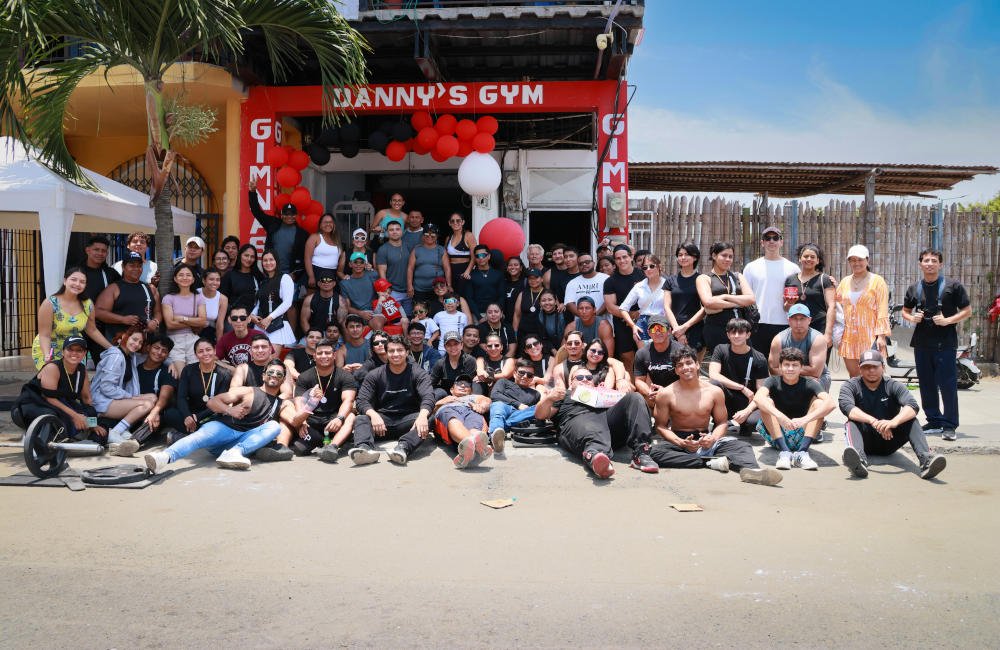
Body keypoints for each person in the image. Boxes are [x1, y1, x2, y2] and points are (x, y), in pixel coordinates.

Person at [649, 346, 783, 485]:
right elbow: (660, 426)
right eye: (680, 365)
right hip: (679, 441)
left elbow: (722, 423)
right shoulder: (666, 394)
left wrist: (712, 438)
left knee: (743, 447)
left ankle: (751, 471)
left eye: (689, 363)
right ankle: (710, 462)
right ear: (676, 370)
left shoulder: (714, 392)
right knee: (653, 452)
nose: (685, 368)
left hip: (706, 439)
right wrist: (681, 442)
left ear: (697, 364)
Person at [144, 359, 296, 473]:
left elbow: (295, 420)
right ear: (263, 376)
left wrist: (310, 406)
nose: (274, 375)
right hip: (224, 428)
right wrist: (230, 411)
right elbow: (213, 402)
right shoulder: (247, 390)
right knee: (197, 438)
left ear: (283, 379)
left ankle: (234, 454)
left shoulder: (281, 403)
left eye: (279, 373)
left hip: (236, 444)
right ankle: (164, 457)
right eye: (270, 372)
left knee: (275, 426)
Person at [533, 362, 658, 479]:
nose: (585, 380)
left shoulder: (602, 393)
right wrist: (549, 399)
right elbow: (540, 415)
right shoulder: (564, 394)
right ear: (571, 383)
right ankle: (595, 456)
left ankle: (642, 453)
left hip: (607, 428)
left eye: (588, 378)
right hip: (577, 424)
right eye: (580, 378)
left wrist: (621, 393)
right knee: (591, 423)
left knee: (635, 398)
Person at [839, 349, 947, 480]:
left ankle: (926, 460)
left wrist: (893, 422)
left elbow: (912, 406)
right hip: (864, 440)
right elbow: (848, 408)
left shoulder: (894, 385)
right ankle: (859, 461)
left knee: (911, 420)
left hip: (889, 439)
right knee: (851, 423)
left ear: (883, 367)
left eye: (875, 366)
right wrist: (874, 421)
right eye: (866, 367)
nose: (871, 370)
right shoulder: (850, 386)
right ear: (860, 369)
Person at [902, 248, 972, 441]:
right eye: (926, 260)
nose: (930, 264)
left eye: (934, 260)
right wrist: (912, 318)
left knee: (948, 385)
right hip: (922, 344)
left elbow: (967, 310)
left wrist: (948, 320)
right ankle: (934, 420)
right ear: (920, 264)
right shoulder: (914, 288)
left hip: (945, 344)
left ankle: (949, 425)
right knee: (926, 384)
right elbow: (905, 311)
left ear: (940, 264)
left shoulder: (953, 286)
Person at [348, 335, 435, 466]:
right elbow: (361, 400)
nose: (395, 354)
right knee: (361, 419)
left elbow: (428, 396)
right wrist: (373, 415)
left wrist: (422, 415)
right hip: (381, 422)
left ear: (407, 352)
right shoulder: (375, 374)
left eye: (400, 350)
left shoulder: (418, 373)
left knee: (429, 418)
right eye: (391, 351)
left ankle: (403, 448)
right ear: (386, 353)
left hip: (408, 421)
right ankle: (364, 450)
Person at [11, 336, 105, 444]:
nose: (74, 353)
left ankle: (74, 436)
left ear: (84, 354)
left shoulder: (82, 370)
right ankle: (36, 440)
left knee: (89, 412)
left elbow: (86, 398)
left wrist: (93, 424)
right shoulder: (53, 367)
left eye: (79, 350)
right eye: (70, 349)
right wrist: (75, 416)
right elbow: (49, 398)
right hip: (30, 406)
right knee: (52, 415)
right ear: (63, 352)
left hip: (60, 404)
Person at [753, 347, 835, 471]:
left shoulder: (810, 383)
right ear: (780, 366)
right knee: (766, 401)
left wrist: (805, 420)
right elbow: (758, 398)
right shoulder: (772, 381)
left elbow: (831, 404)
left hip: (801, 431)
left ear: (801, 367)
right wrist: (780, 417)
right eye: (786, 365)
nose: (790, 369)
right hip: (777, 434)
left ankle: (802, 453)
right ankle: (784, 453)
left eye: (795, 365)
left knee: (819, 404)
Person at [285, 338, 357, 462]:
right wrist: (301, 422)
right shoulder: (304, 377)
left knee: (350, 416)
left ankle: (333, 447)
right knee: (300, 449)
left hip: (334, 420)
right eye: (320, 353)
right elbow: (299, 405)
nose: (324, 356)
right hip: (311, 420)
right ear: (314, 356)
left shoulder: (345, 376)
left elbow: (348, 401)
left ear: (334, 355)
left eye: (328, 353)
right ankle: (317, 441)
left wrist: (339, 418)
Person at [89, 327, 156, 456]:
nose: (136, 344)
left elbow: (152, 358)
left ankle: (123, 428)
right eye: (134, 339)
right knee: (146, 405)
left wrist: (172, 364)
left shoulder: (129, 356)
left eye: (140, 342)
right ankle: (116, 432)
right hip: (102, 401)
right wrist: (130, 397)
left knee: (152, 397)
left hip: (113, 398)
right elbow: (106, 387)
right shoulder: (116, 356)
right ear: (125, 336)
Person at [32, 267, 111, 369]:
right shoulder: (50, 303)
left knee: (76, 381)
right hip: (50, 349)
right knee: (54, 381)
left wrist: (111, 348)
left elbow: (92, 330)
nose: (77, 284)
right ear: (65, 281)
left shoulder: (87, 304)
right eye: (73, 279)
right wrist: (47, 355)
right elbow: (44, 335)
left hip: (75, 349)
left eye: (82, 282)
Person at [742, 226, 800, 355]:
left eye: (775, 238)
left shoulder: (793, 268)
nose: (771, 241)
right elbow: (745, 297)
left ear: (781, 242)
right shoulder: (751, 267)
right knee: (759, 364)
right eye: (767, 238)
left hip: (784, 322)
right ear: (762, 243)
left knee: (783, 364)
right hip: (758, 323)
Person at [833, 244, 890, 377]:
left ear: (867, 260)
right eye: (853, 260)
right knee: (854, 376)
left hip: (870, 337)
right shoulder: (845, 281)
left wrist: (881, 337)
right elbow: (839, 302)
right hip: (849, 337)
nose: (856, 263)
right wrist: (832, 286)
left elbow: (882, 309)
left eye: (860, 259)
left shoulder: (877, 281)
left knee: (872, 375)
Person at [707, 318, 768, 437]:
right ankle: (719, 422)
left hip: (748, 401)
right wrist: (742, 388)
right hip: (726, 398)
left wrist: (747, 411)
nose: (736, 335)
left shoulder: (759, 358)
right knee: (713, 384)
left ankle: (745, 425)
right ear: (728, 335)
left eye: (741, 332)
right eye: (733, 332)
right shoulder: (720, 349)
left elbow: (762, 392)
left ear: (748, 335)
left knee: (753, 422)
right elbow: (713, 374)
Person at [696, 241, 756, 353]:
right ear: (714, 255)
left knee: (743, 363)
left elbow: (751, 299)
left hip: (740, 329)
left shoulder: (738, 276)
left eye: (730, 256)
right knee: (721, 365)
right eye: (724, 255)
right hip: (716, 329)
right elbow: (708, 302)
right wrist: (739, 303)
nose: (727, 259)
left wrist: (724, 297)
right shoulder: (704, 278)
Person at [248, 177, 308, 279]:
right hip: (271, 274)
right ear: (282, 215)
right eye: (286, 214)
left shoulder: (302, 234)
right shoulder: (272, 223)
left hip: (291, 277)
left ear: (296, 215)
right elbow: (256, 211)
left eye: (292, 214)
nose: (289, 216)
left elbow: (304, 257)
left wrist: (295, 274)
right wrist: (252, 192)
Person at [175, 337, 234, 440]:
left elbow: (221, 403)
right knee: (170, 414)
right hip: (191, 412)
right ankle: (200, 435)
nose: (205, 353)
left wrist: (196, 418)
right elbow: (181, 397)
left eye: (208, 349)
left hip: (213, 414)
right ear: (195, 355)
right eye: (200, 351)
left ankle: (188, 435)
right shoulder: (188, 370)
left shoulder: (225, 374)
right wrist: (187, 416)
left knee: (222, 421)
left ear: (214, 350)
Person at [95, 251, 162, 341]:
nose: (136, 269)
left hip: (144, 344)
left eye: (139, 266)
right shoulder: (114, 288)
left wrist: (155, 322)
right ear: (123, 267)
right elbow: (98, 312)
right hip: (119, 344)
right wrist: (122, 319)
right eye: (132, 265)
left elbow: (158, 312)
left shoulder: (150, 288)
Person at [433, 374, 494, 469]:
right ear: (451, 389)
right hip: (448, 410)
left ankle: (470, 446)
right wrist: (440, 403)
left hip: (470, 408)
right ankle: (476, 445)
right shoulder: (444, 399)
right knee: (452, 419)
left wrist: (481, 406)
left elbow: (486, 400)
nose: (463, 386)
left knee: (476, 418)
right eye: (459, 384)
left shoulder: (473, 397)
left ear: (471, 390)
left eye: (467, 385)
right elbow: (430, 411)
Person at [603, 244, 645, 373]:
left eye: (624, 257)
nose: (622, 261)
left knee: (645, 356)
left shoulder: (644, 275)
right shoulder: (610, 281)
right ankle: (631, 390)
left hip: (644, 321)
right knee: (627, 358)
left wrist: (640, 314)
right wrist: (630, 315)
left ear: (631, 257)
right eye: (618, 258)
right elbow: (610, 307)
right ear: (614, 261)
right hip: (622, 323)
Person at [487, 358, 543, 453]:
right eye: (521, 372)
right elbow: (495, 395)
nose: (525, 376)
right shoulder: (503, 382)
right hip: (503, 407)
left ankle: (499, 430)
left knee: (539, 408)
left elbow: (531, 413)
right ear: (514, 373)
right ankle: (495, 434)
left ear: (532, 378)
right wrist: (518, 404)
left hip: (518, 415)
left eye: (529, 375)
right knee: (498, 406)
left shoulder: (536, 394)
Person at [769, 304, 830, 389]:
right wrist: (794, 375)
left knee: (814, 383)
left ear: (809, 320)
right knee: (771, 383)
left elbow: (815, 372)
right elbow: (773, 369)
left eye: (802, 319)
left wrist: (789, 371)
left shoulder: (818, 339)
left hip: (817, 378)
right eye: (794, 319)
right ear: (789, 320)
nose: (798, 323)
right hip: (788, 376)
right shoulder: (778, 340)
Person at [783, 243, 835, 341]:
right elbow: (786, 308)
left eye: (812, 257)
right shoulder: (790, 280)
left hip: (820, 326)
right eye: (806, 256)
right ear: (800, 258)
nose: (809, 259)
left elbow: (832, 306)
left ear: (818, 260)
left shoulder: (824, 279)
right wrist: (789, 303)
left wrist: (828, 334)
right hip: (798, 328)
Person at [663, 241, 706, 359]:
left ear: (695, 257)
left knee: (694, 366)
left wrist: (685, 327)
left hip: (695, 328)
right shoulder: (670, 280)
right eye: (680, 254)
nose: (683, 257)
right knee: (675, 366)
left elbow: (704, 308)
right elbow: (667, 306)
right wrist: (677, 330)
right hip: (673, 328)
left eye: (686, 254)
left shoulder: (702, 279)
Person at [161, 264, 208, 371]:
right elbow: (170, 324)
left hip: (193, 339)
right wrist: (194, 321)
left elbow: (203, 321)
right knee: (181, 374)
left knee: (197, 373)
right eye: (181, 275)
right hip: (174, 341)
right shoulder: (168, 298)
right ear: (175, 279)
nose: (185, 278)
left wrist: (182, 318)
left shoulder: (198, 297)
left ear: (193, 279)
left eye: (188, 275)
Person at [134, 334, 180, 443]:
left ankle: (132, 442)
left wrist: (154, 412)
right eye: (156, 348)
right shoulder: (135, 368)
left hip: (157, 410)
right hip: (135, 408)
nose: (159, 353)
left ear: (167, 355)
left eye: (164, 351)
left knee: (152, 420)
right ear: (148, 348)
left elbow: (164, 398)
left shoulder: (168, 372)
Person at [632, 315, 684, 407]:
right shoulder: (642, 353)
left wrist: (666, 392)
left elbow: (688, 378)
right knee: (638, 398)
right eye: (654, 329)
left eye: (661, 328)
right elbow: (639, 381)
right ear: (649, 333)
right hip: (656, 394)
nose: (658, 332)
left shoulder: (681, 351)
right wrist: (649, 392)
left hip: (679, 392)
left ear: (669, 331)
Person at [251, 249, 296, 355]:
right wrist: (252, 315)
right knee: (258, 359)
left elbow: (287, 303)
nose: (268, 263)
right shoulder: (263, 282)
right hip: (261, 325)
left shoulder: (285, 278)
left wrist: (269, 318)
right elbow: (259, 303)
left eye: (271, 260)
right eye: (265, 260)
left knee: (272, 360)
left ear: (276, 261)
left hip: (277, 326)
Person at [619, 253, 667, 347]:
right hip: (643, 323)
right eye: (645, 267)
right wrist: (633, 326)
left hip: (661, 322)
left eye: (652, 266)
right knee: (644, 356)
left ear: (659, 266)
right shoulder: (639, 286)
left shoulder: (668, 284)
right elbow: (623, 308)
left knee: (662, 354)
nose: (648, 269)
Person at [406, 222, 449, 307]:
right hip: (419, 288)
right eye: (426, 234)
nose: (429, 236)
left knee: (436, 311)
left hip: (437, 289)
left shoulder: (441, 250)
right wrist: (409, 286)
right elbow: (410, 268)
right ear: (423, 236)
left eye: (433, 234)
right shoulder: (416, 249)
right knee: (420, 311)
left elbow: (447, 268)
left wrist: (449, 285)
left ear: (437, 236)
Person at [215, 304, 269, 369]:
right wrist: (230, 368)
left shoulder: (260, 336)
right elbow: (214, 359)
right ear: (229, 320)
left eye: (242, 318)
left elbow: (270, 358)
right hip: (235, 375)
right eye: (234, 318)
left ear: (249, 319)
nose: (238, 321)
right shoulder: (225, 339)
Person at [431, 331, 480, 399]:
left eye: (456, 344)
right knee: (437, 392)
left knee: (477, 386)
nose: (453, 347)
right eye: (449, 345)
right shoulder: (440, 363)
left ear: (461, 345)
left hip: (465, 392)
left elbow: (468, 382)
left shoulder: (470, 360)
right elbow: (431, 382)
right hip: (446, 395)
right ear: (445, 347)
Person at [464, 245, 505, 320]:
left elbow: (502, 296)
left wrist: (496, 312)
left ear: (489, 256)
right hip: (478, 314)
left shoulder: (498, 274)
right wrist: (479, 317)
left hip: (495, 313)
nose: (481, 258)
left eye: (483, 255)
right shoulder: (471, 275)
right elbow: (469, 298)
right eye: (477, 256)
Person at [340, 251, 380, 327]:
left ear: (365, 264)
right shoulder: (344, 283)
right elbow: (347, 307)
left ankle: (379, 339)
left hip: (374, 311)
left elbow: (384, 289)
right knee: (346, 324)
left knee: (377, 323)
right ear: (350, 264)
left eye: (361, 262)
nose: (358, 265)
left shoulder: (373, 275)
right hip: (356, 313)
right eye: (355, 262)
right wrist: (360, 313)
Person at [564, 252, 609, 318]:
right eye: (580, 264)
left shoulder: (606, 279)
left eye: (587, 262)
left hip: (604, 323)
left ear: (593, 263)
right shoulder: (572, 283)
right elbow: (569, 303)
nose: (584, 264)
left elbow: (610, 301)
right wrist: (585, 317)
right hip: (581, 324)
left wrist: (595, 316)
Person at [304, 213, 341, 291]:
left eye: (330, 222)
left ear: (334, 225)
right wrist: (311, 276)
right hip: (316, 272)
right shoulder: (315, 237)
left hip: (332, 273)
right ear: (320, 225)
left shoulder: (337, 240)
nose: (328, 224)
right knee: (313, 299)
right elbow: (307, 258)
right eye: (325, 222)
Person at [80, 235, 121, 303]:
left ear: (107, 253)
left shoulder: (112, 274)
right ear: (87, 250)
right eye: (96, 250)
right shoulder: (76, 271)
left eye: (103, 251)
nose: (100, 253)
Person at [219, 244, 263, 308]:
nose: (249, 259)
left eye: (252, 257)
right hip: (235, 316)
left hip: (254, 316)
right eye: (246, 255)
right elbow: (222, 300)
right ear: (240, 255)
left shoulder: (259, 276)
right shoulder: (230, 275)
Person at [445, 211, 476, 295]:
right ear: (449, 223)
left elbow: (474, 257)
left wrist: (467, 272)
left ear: (463, 222)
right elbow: (445, 259)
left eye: (458, 220)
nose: (455, 223)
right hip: (451, 271)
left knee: (464, 297)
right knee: (452, 296)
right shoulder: (448, 238)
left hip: (464, 271)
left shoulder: (468, 235)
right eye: (452, 221)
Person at [512, 268, 546, 345]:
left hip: (541, 334)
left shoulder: (547, 293)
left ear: (542, 279)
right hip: (524, 333)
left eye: (536, 277)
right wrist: (515, 333)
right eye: (530, 278)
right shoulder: (522, 294)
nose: (533, 280)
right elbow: (517, 315)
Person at [197, 268, 228, 344]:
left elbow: (219, 324)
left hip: (209, 332)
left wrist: (219, 345)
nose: (215, 282)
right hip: (193, 330)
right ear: (204, 281)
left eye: (218, 280)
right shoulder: (195, 293)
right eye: (211, 279)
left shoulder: (223, 298)